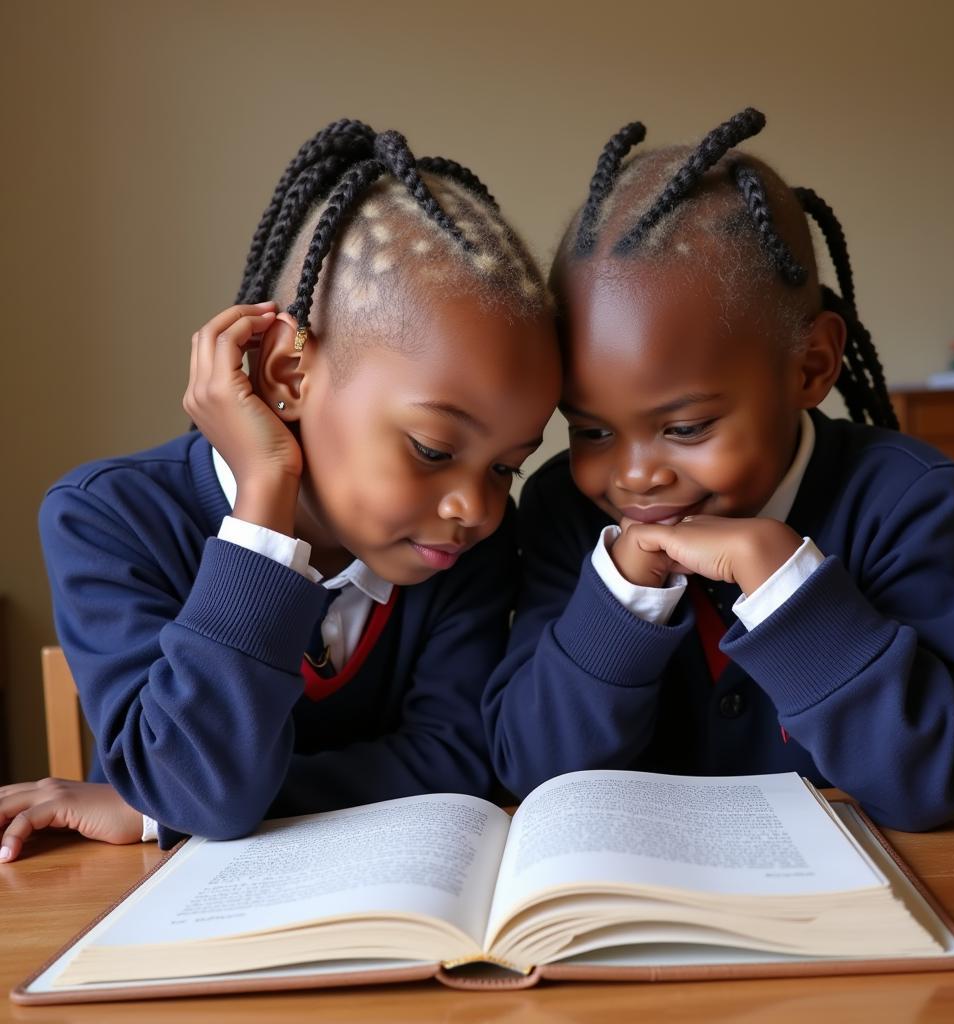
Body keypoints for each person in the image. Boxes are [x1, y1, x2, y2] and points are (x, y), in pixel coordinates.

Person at [0, 119, 560, 861]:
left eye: (505, 466)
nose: (478, 507)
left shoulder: (461, 550)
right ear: (287, 377)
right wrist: (266, 497)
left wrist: (157, 811)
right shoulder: (107, 518)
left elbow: (456, 762)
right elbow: (200, 786)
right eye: (433, 449)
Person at [482, 108, 954, 831]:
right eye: (591, 429)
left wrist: (784, 582)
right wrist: (623, 598)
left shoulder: (911, 502)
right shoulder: (566, 514)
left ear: (812, 366)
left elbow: (936, 782)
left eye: (687, 427)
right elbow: (532, 771)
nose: (633, 476)